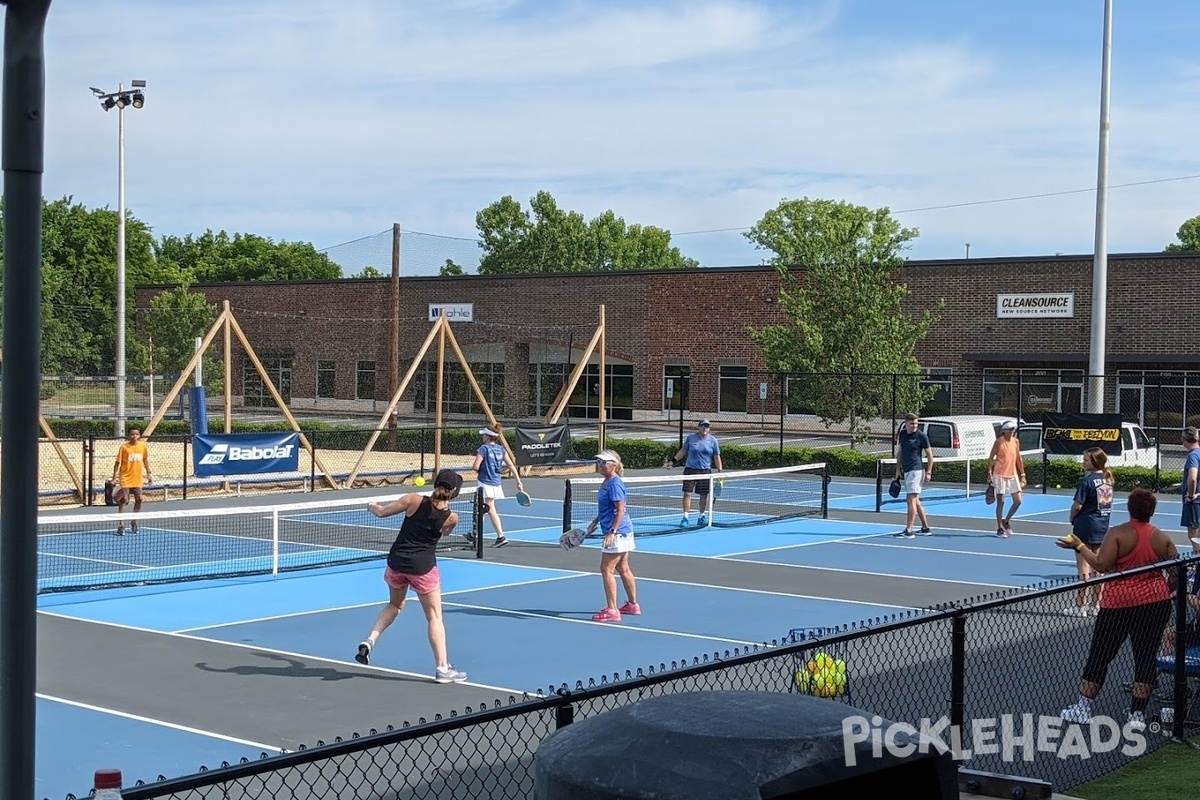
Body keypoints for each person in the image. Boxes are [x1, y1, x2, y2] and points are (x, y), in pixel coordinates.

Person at [1057, 487, 1180, 730]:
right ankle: (1136, 715)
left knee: (1100, 654)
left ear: (1129, 509)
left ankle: (1083, 708)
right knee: (1145, 657)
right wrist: (1163, 589)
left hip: (1118, 605)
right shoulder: (1162, 538)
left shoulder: (1117, 534)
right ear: (1152, 511)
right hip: (1155, 604)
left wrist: (1080, 547)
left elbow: (1101, 565)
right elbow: (1175, 572)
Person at [354, 468, 469, 684]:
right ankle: (442, 668)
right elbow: (445, 532)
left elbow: (380, 512)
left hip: (396, 564)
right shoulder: (451, 517)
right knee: (434, 617)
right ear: (453, 491)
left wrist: (371, 505)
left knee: (395, 605)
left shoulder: (412, 500)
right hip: (422, 569)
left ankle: (370, 640)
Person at [587, 449, 639, 623]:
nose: (600, 465)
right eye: (599, 462)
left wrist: (612, 532)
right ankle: (632, 605)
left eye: (604, 462)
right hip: (621, 531)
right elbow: (608, 508)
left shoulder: (614, 484)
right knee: (623, 568)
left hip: (618, 532)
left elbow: (620, 510)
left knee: (606, 569)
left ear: (614, 465)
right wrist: (595, 522)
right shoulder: (607, 481)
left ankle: (612, 610)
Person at [1064, 447, 1115, 616]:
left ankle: (1080, 605)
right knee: (1098, 566)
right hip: (1102, 525)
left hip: (1086, 525)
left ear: (1094, 462)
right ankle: (1096, 604)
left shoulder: (1086, 482)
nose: (1083, 462)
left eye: (1086, 459)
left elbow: (1077, 506)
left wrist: (1072, 518)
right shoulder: (1108, 480)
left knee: (1083, 566)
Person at [663, 419, 724, 527]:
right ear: (698, 427)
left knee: (703, 495)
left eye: (707, 426)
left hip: (705, 471)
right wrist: (672, 461)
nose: (705, 428)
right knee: (687, 493)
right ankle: (685, 517)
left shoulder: (713, 441)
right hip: (690, 470)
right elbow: (683, 451)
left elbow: (716, 456)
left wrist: (720, 471)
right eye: (703, 426)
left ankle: (701, 516)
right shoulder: (691, 438)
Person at [473, 424, 524, 548]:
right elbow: (511, 465)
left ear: (487, 436)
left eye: (484, 435)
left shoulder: (483, 449)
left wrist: (480, 471)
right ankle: (473, 534)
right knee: (484, 508)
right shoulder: (501, 449)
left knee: (490, 509)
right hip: (496, 482)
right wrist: (518, 481)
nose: (482, 437)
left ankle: (501, 536)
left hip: (485, 482)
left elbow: (475, 466)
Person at [892, 413, 933, 539]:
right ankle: (925, 528)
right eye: (912, 423)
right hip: (907, 471)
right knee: (916, 501)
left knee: (910, 500)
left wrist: (929, 472)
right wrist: (897, 470)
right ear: (906, 423)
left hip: (917, 471)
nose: (915, 425)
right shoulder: (903, 435)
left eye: (916, 423)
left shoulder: (922, 436)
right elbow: (900, 453)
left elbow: (930, 455)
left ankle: (909, 530)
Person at [987, 420, 1025, 538]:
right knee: (1001, 502)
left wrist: (1023, 474)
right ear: (1004, 431)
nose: (1012, 431)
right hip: (999, 475)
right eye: (1010, 429)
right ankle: (999, 528)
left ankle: (1006, 521)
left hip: (1012, 475)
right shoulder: (999, 442)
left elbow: (1018, 458)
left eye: (1013, 429)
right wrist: (989, 473)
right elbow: (991, 458)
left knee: (1018, 501)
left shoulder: (1016, 442)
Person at [112, 426, 152, 535]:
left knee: (139, 499)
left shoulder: (142, 446)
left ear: (139, 436)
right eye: (132, 434)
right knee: (124, 499)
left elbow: (145, 460)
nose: (134, 436)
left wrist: (149, 473)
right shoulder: (124, 448)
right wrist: (114, 477)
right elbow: (117, 463)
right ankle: (121, 525)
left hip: (137, 479)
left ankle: (134, 522)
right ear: (128, 436)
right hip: (125, 478)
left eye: (136, 434)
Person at [1180, 426, 1200, 553]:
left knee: (1194, 536)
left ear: (1184, 439)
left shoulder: (1193, 456)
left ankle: (1197, 565)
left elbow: (1192, 478)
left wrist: (1191, 495)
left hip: (1195, 503)